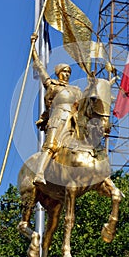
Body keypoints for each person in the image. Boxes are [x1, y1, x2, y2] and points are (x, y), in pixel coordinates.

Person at [31, 33, 82, 184]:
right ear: (58, 73)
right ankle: (39, 173)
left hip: (73, 121)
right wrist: (33, 46)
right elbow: (40, 68)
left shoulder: (76, 90)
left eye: (68, 72)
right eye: (63, 72)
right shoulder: (53, 85)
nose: (66, 74)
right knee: (51, 145)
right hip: (57, 118)